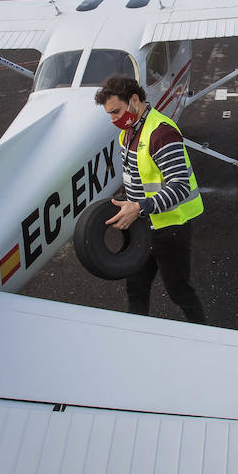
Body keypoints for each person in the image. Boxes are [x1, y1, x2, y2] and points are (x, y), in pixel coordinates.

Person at [93, 74, 207, 324]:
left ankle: (206, 340)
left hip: (170, 230)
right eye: (109, 114)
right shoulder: (128, 131)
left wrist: (140, 207)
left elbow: (180, 186)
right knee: (136, 291)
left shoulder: (161, 133)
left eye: (116, 111)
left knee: (180, 293)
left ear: (134, 100)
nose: (113, 119)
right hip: (141, 228)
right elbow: (136, 178)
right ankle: (137, 347)